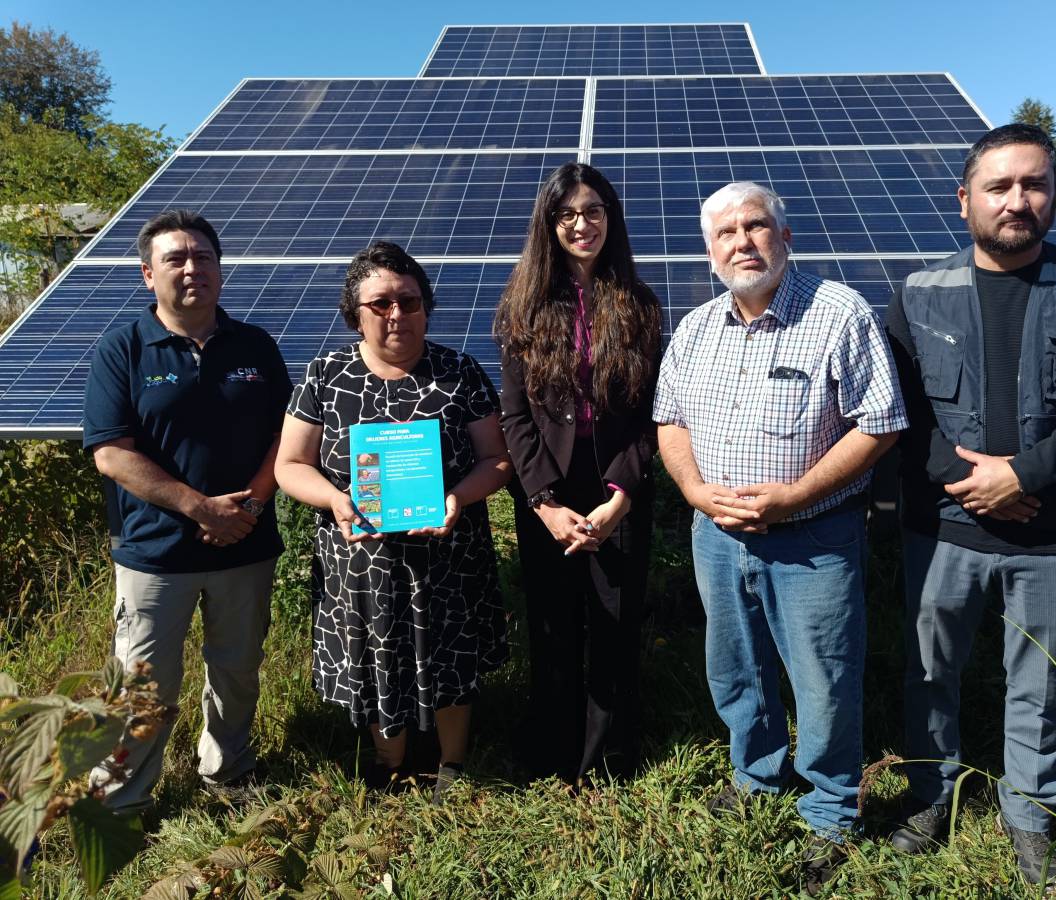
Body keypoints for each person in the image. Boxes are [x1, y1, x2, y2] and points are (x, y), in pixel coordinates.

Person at [884, 123, 1056, 888]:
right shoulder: (919, 291)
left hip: (1055, 528)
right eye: (998, 186)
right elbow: (899, 410)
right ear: (965, 200)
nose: (1017, 200)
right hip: (944, 528)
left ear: (1054, 194)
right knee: (930, 671)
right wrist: (974, 487)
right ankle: (931, 794)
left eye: (1033, 184)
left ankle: (1031, 815)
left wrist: (1025, 477)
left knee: (1041, 678)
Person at [654, 181, 908, 892]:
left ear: (784, 236)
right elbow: (669, 419)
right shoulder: (698, 327)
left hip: (813, 536)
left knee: (823, 677)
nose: (743, 242)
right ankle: (756, 776)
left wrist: (796, 495)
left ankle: (830, 810)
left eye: (756, 226)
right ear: (710, 253)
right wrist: (694, 491)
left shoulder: (837, 313)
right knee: (736, 667)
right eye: (726, 234)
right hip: (716, 534)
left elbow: (881, 422)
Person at [274, 241, 510, 802]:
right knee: (374, 656)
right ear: (355, 312)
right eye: (380, 303)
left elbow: (497, 459)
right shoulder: (325, 376)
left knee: (452, 655)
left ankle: (451, 762)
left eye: (409, 300)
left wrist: (457, 497)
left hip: (447, 554)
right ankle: (390, 760)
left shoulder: (459, 371)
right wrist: (335, 500)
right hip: (360, 560)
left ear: (426, 306)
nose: (396, 313)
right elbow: (289, 464)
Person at [83, 209, 291, 812]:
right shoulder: (122, 348)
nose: (192, 268)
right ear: (149, 274)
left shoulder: (255, 345)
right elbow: (111, 453)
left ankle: (228, 773)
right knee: (145, 684)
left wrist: (249, 503)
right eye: (176, 259)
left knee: (237, 669)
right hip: (154, 553)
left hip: (246, 543)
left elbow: (288, 434)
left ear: (220, 270)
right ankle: (124, 800)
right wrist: (202, 509)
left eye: (203, 257)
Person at [494, 162, 662, 784]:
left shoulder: (640, 306)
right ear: (549, 225)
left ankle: (608, 758)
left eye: (593, 211)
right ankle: (552, 750)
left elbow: (653, 415)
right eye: (567, 214)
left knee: (615, 629)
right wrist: (542, 500)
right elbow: (515, 417)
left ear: (610, 219)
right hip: (550, 493)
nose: (581, 224)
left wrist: (622, 493)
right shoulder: (524, 305)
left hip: (617, 490)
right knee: (553, 624)